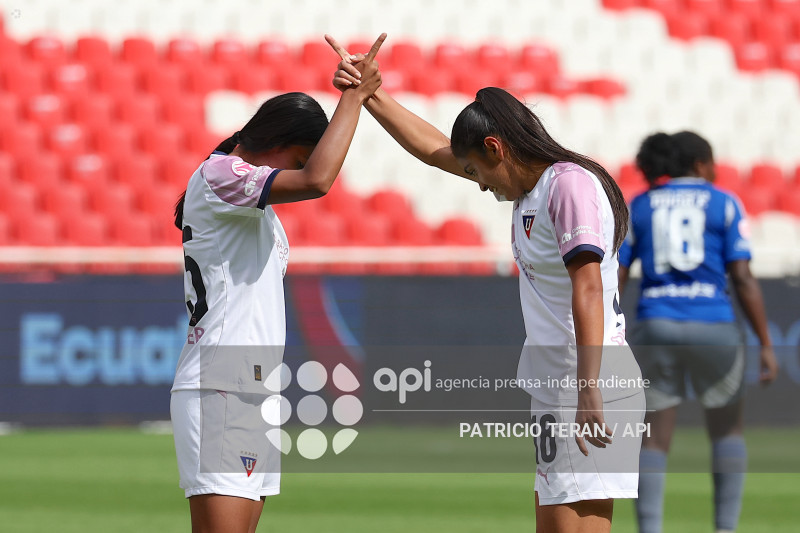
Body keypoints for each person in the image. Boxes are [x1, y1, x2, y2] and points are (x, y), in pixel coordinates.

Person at [327, 36, 645, 533]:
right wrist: (370, 94)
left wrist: (588, 389)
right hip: (559, 381)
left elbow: (588, 288)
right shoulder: (530, 190)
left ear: (497, 147)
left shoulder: (569, 185)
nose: (477, 183)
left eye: (477, 169)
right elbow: (434, 150)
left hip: (587, 379)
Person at [169, 34, 385, 533]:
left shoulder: (243, 197)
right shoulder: (221, 173)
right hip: (221, 383)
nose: (298, 171)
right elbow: (318, 180)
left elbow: (312, 175)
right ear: (285, 145)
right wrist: (352, 98)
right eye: (297, 158)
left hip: (251, 385)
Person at [616, 131, 779, 533]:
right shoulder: (723, 203)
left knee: (652, 439)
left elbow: (616, 274)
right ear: (702, 165)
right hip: (714, 326)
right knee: (726, 432)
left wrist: (608, 331)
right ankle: (725, 528)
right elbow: (741, 277)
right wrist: (765, 343)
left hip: (655, 323)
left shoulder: (641, 205)